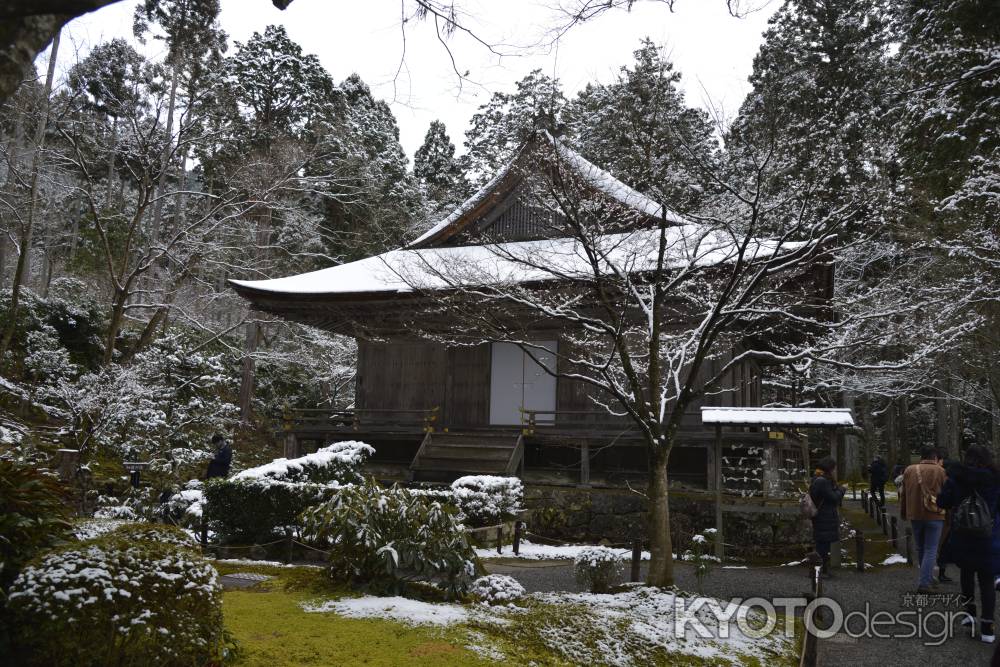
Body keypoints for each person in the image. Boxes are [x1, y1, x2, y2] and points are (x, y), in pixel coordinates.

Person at [937, 445, 1000, 643]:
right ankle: (988, 627)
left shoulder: (957, 477)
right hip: (988, 536)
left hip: (963, 534)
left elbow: (943, 502)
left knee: (966, 573)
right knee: (987, 581)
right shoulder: (995, 479)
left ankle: (969, 613)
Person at [900, 446, 946, 592]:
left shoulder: (909, 470)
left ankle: (926, 577)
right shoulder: (940, 471)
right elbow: (947, 493)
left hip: (915, 514)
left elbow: (904, 493)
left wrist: (904, 512)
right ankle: (924, 582)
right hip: (935, 514)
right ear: (935, 458)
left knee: (920, 548)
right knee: (931, 548)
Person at [809, 456, 846, 577]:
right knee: (822, 546)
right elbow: (834, 497)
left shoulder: (818, 478)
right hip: (824, 516)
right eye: (834, 468)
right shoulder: (822, 481)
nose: (835, 470)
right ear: (829, 468)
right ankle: (818, 572)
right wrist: (842, 490)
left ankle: (821, 571)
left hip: (823, 516)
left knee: (822, 544)